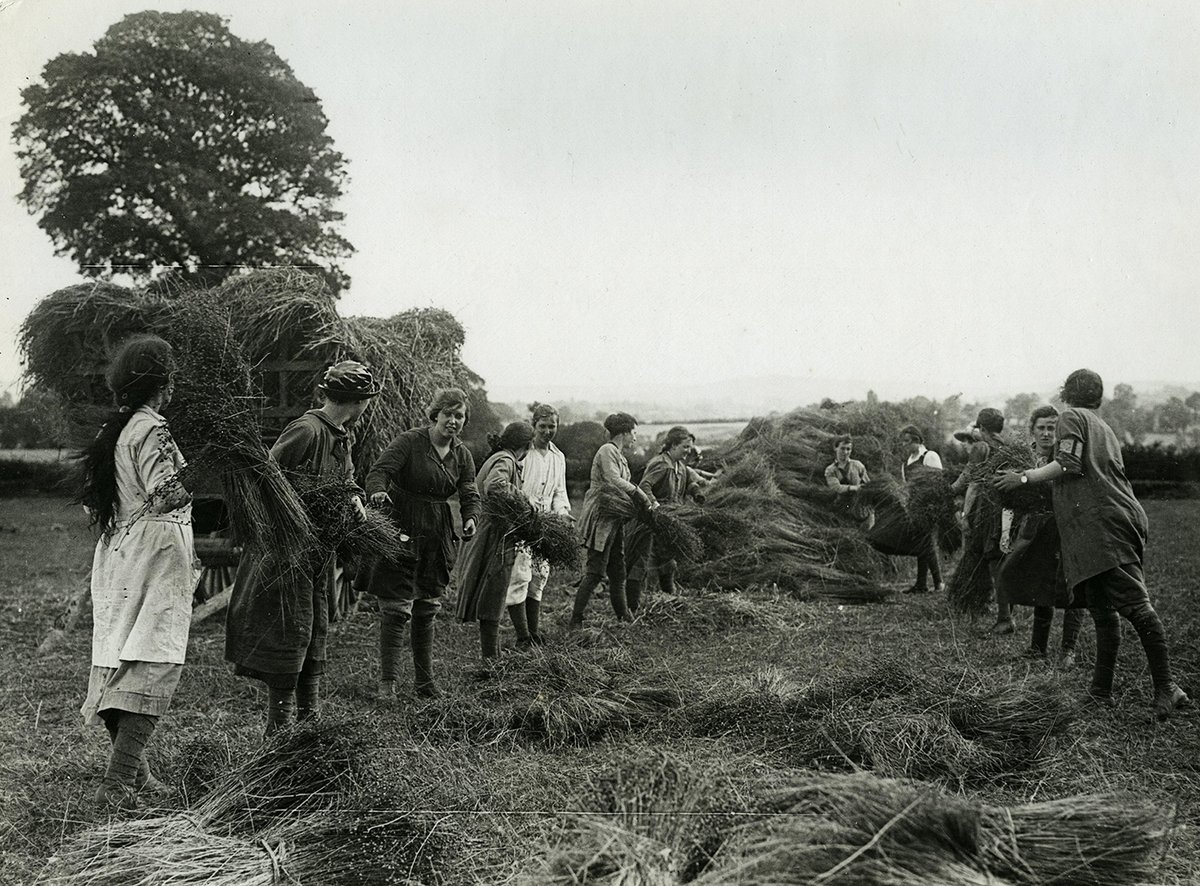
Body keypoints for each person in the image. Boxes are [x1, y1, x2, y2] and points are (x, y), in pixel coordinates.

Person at [995, 370, 1191, 719]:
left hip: (1104, 526)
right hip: (1101, 523)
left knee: (1135, 605)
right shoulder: (1103, 426)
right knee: (1102, 609)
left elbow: (1067, 463)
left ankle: (1167, 687)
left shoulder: (1071, 417)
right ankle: (1100, 691)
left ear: (1066, 392)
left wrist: (1022, 477)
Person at [225, 361, 379, 734]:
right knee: (288, 632)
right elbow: (265, 478)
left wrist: (354, 499)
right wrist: (290, 520)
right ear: (357, 401)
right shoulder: (306, 431)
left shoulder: (343, 434)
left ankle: (309, 721)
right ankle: (278, 731)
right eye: (366, 401)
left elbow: (347, 478)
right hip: (285, 554)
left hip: (315, 552)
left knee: (313, 629)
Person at [76, 335, 197, 809]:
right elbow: (167, 492)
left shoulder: (116, 428)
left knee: (120, 656)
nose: (173, 387)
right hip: (154, 552)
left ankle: (137, 774)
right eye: (169, 377)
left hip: (118, 550)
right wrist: (202, 471)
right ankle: (118, 783)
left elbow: (93, 504)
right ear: (159, 382)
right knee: (154, 659)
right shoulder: (153, 428)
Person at [361, 387, 481, 699]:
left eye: (459, 416)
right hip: (402, 524)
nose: (452, 421)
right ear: (435, 415)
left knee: (427, 605)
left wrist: (470, 517)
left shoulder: (462, 454)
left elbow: (469, 490)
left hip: (437, 532)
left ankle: (425, 683)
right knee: (397, 607)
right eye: (447, 414)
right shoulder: (410, 441)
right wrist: (377, 491)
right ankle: (387, 684)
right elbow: (379, 471)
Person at [996, 406, 1086, 664]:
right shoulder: (1028, 460)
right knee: (1041, 584)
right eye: (1041, 428)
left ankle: (1068, 650)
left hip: (1069, 529)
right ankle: (1037, 648)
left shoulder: (1065, 459)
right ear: (1032, 431)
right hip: (1038, 530)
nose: (1046, 434)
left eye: (1051, 428)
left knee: (1072, 588)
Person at [456, 421, 537, 657]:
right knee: (494, 593)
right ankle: (491, 660)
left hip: (489, 533)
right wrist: (524, 498)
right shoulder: (506, 460)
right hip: (493, 538)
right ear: (528, 445)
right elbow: (495, 486)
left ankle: (491, 656)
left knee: (492, 593)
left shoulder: (500, 457)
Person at [571, 412, 651, 627]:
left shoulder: (619, 455)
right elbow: (613, 480)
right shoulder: (607, 451)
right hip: (601, 520)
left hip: (614, 519)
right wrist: (639, 494)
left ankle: (624, 617)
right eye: (633, 432)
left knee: (618, 571)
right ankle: (575, 619)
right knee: (595, 571)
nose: (634, 437)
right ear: (624, 432)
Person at [508, 403, 571, 644]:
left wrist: (562, 513)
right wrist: (526, 507)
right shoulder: (524, 454)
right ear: (533, 425)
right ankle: (522, 636)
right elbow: (514, 487)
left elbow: (559, 492)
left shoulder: (558, 457)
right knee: (520, 575)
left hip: (546, 525)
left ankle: (533, 632)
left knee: (539, 575)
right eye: (542, 426)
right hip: (522, 521)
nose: (547, 431)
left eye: (551, 426)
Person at [625, 426, 707, 610]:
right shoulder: (661, 463)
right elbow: (644, 485)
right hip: (651, 521)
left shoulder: (680, 466)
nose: (688, 451)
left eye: (690, 447)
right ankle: (632, 608)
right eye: (685, 447)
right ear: (673, 445)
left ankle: (671, 601)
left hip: (670, 521)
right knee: (642, 561)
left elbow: (688, 483)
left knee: (668, 560)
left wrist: (696, 493)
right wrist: (655, 506)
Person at [951, 408, 1010, 631]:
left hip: (988, 510)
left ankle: (1005, 618)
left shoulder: (980, 447)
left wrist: (965, 514)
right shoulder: (1006, 446)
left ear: (982, 428)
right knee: (1000, 559)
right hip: (1007, 508)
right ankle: (1005, 612)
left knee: (993, 560)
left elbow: (972, 483)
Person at [899, 425, 944, 594]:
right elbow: (906, 487)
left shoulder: (929, 456)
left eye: (907, 442)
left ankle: (938, 582)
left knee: (925, 542)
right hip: (914, 506)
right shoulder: (906, 463)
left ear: (917, 441)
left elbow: (939, 481)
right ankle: (922, 583)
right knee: (921, 542)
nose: (904, 445)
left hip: (929, 505)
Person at [824, 434, 873, 530]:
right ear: (835, 448)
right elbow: (836, 487)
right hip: (842, 508)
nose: (845, 452)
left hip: (860, 509)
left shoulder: (858, 465)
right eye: (842, 448)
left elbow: (868, 485)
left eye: (848, 449)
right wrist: (854, 488)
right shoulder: (831, 470)